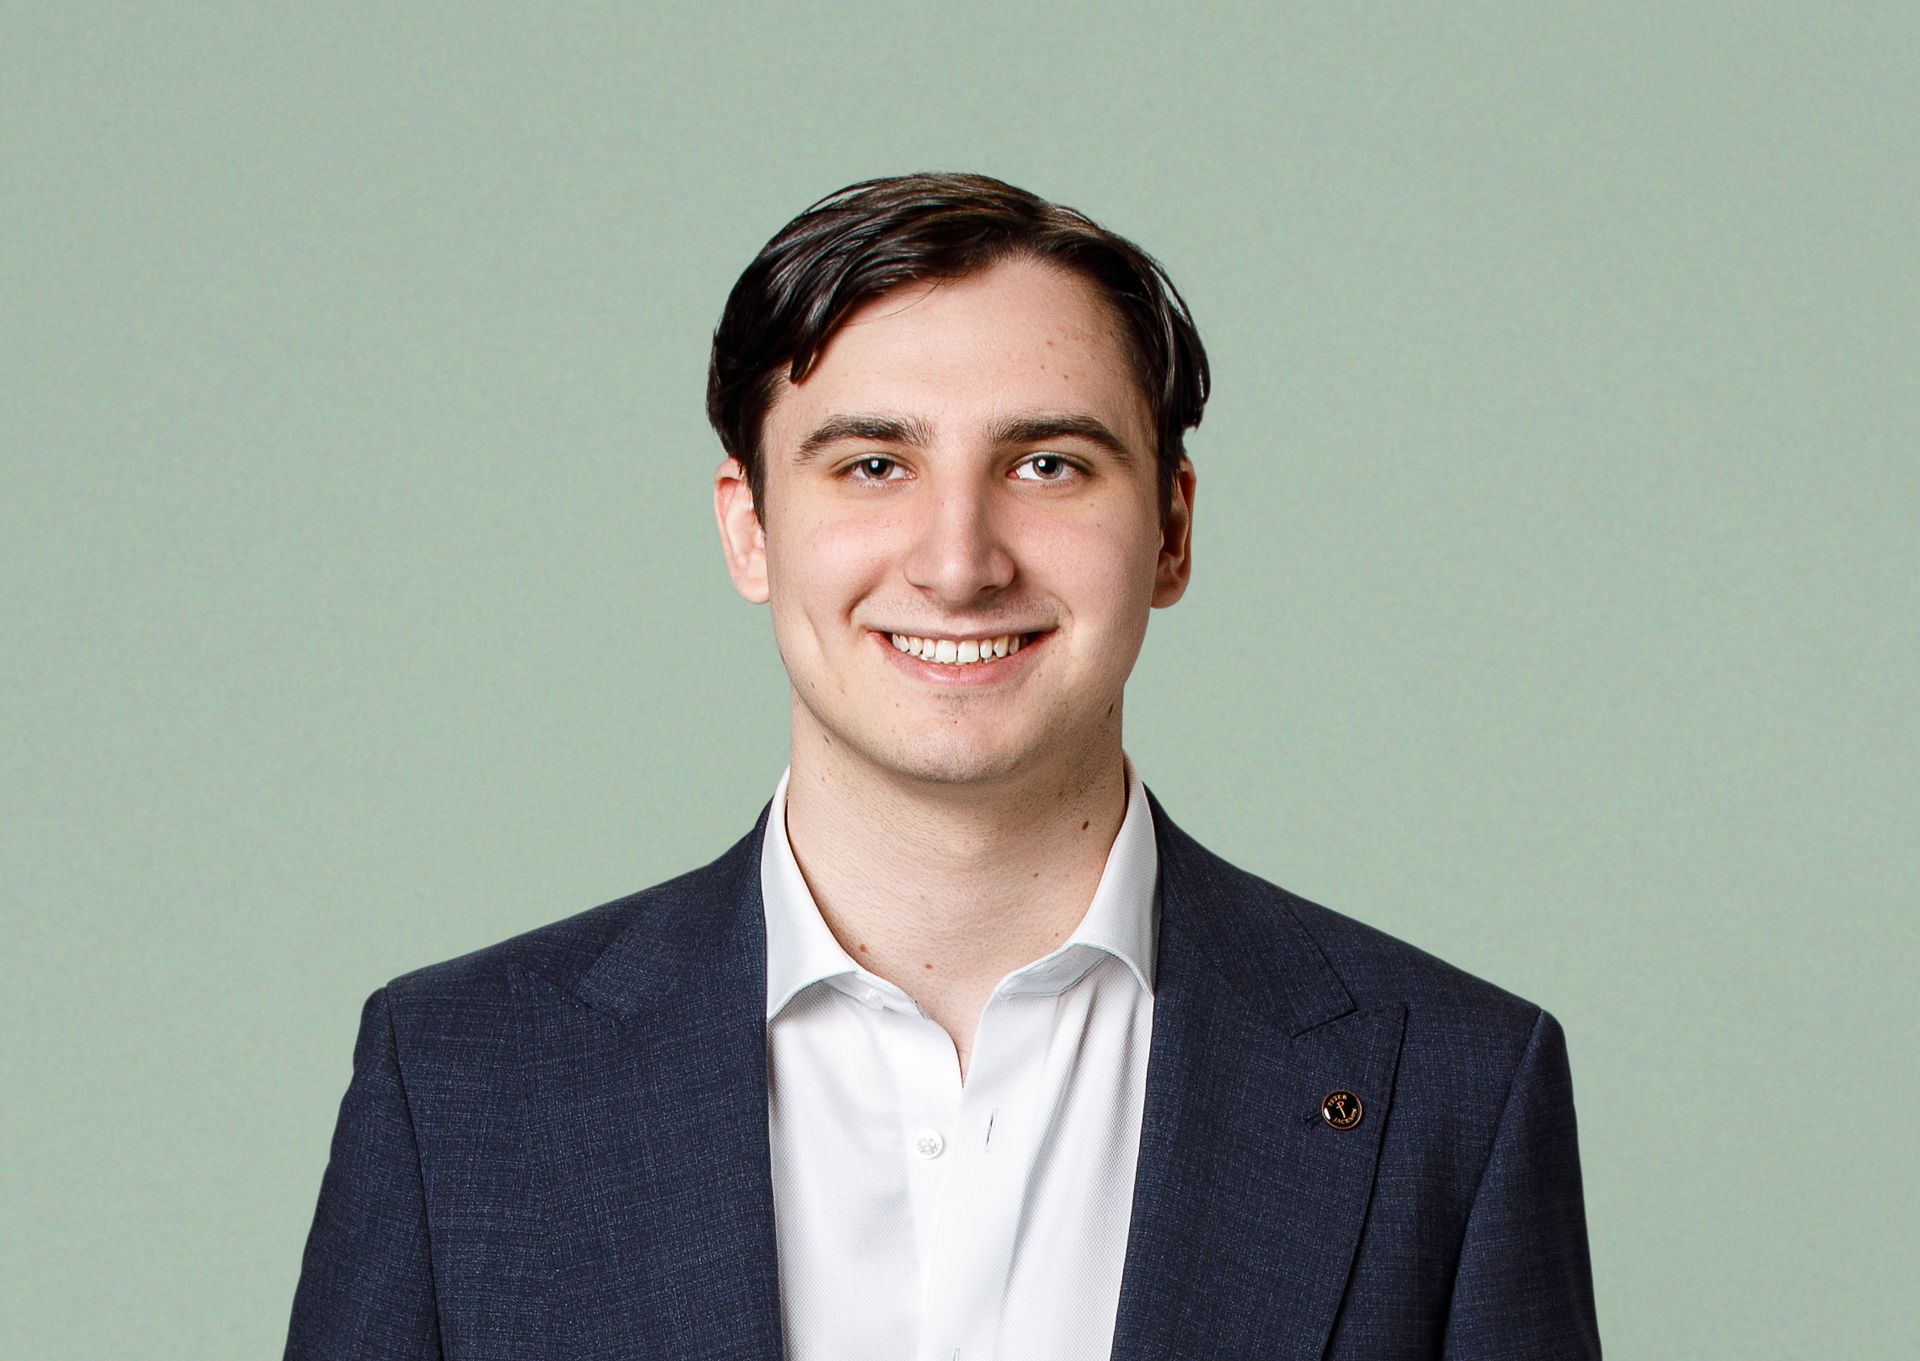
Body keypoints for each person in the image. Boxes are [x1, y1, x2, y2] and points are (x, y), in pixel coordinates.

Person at [285, 173, 1601, 1360]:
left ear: (1172, 529)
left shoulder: (1457, 1090)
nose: (960, 559)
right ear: (750, 530)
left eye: (1047, 463)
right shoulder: (458, 1082)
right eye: (872, 463)